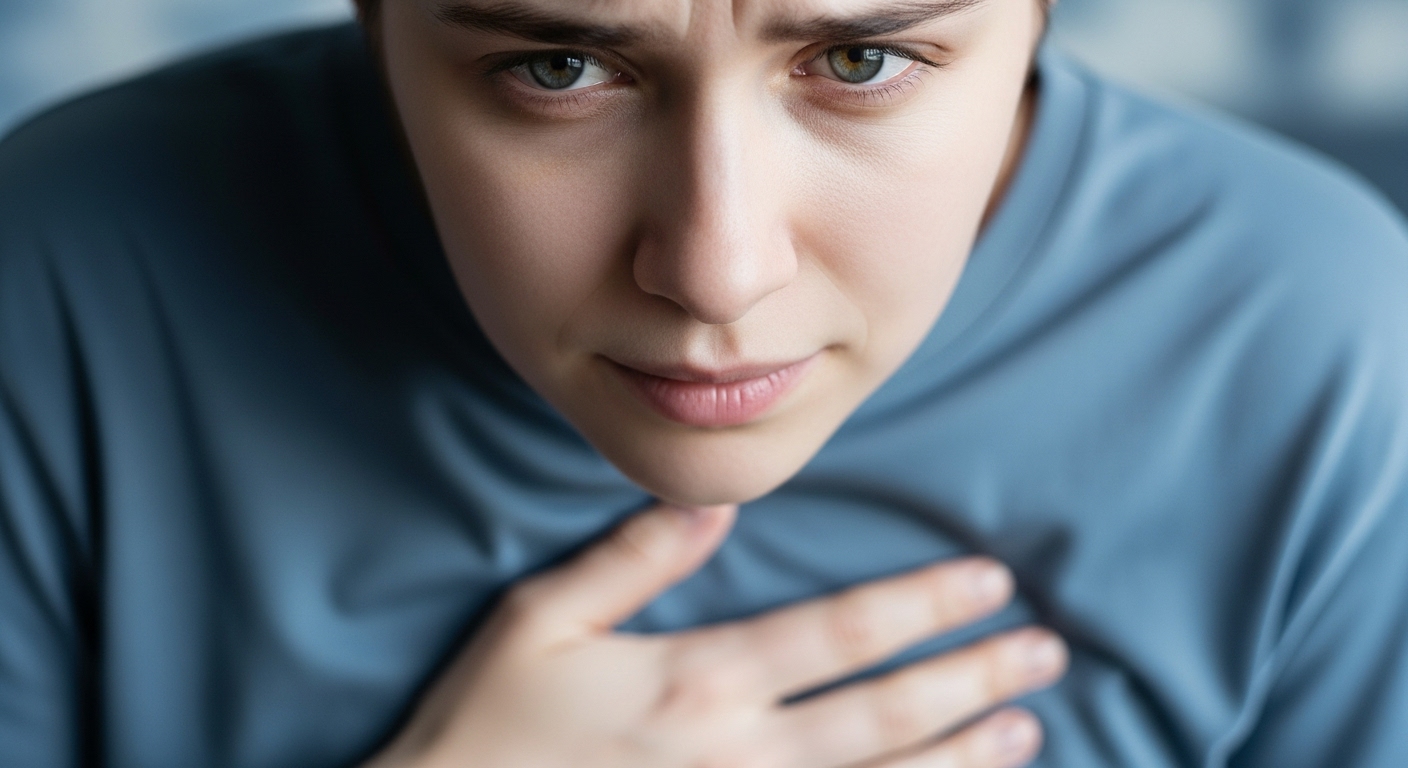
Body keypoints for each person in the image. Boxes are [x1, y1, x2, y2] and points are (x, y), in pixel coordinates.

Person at [1, 0, 1405, 765]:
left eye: (861, 59)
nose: (717, 272)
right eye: (556, 67)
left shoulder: (1323, 347)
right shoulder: (54, 275)